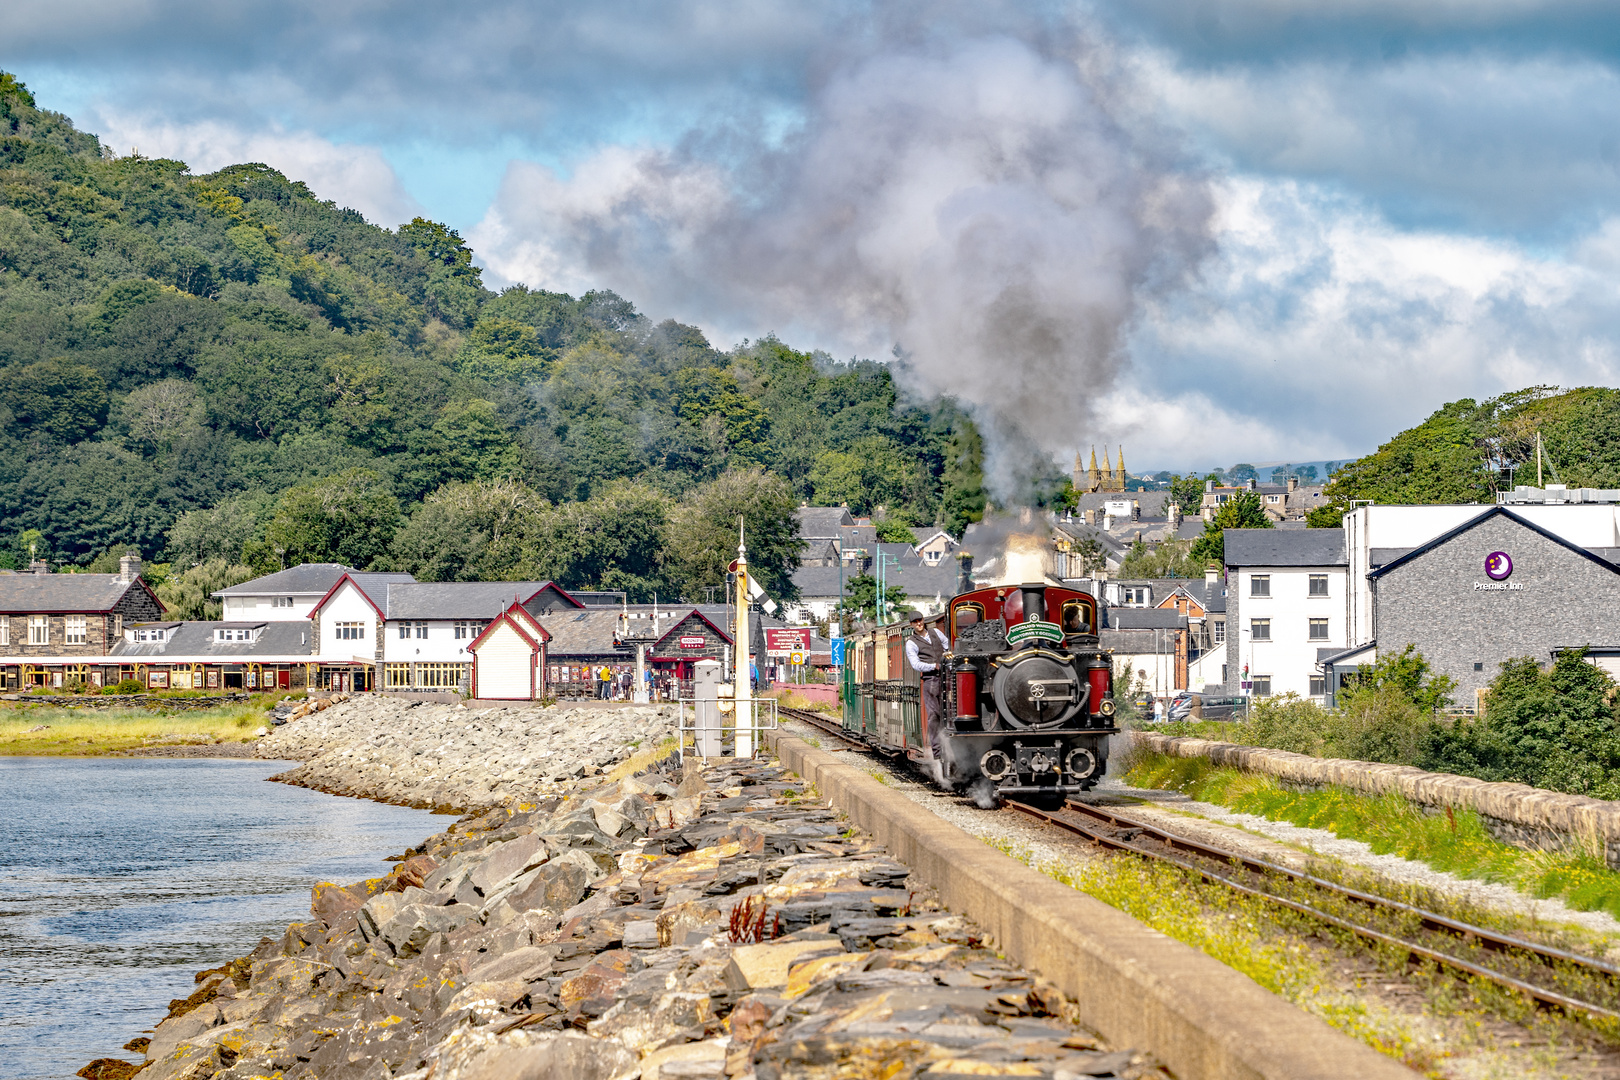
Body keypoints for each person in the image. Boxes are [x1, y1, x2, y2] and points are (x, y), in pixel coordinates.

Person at [904, 614, 949, 759]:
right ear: (911, 624)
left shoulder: (936, 632)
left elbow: (948, 646)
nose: (918, 624)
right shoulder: (911, 643)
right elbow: (915, 664)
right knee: (934, 715)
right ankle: (937, 750)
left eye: (920, 620)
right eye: (915, 622)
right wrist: (933, 666)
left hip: (947, 676)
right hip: (931, 680)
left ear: (923, 621)